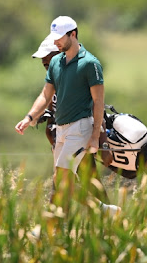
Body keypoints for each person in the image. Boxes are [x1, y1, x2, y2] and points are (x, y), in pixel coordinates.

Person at [16, 17, 118, 218]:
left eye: (59, 38)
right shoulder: (56, 62)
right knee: (61, 182)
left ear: (73, 34)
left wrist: (96, 138)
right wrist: (29, 117)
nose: (56, 42)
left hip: (80, 129)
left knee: (65, 179)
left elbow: (98, 102)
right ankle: (105, 212)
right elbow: (45, 95)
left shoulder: (90, 63)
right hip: (62, 130)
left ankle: (55, 223)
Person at [31, 35, 111, 207]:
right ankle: (105, 216)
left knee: (72, 182)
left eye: (47, 59)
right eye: (43, 61)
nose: (45, 63)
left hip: (80, 138)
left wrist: (99, 140)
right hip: (65, 140)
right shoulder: (56, 80)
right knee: (63, 184)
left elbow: (96, 106)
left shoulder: (78, 73)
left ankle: (57, 224)